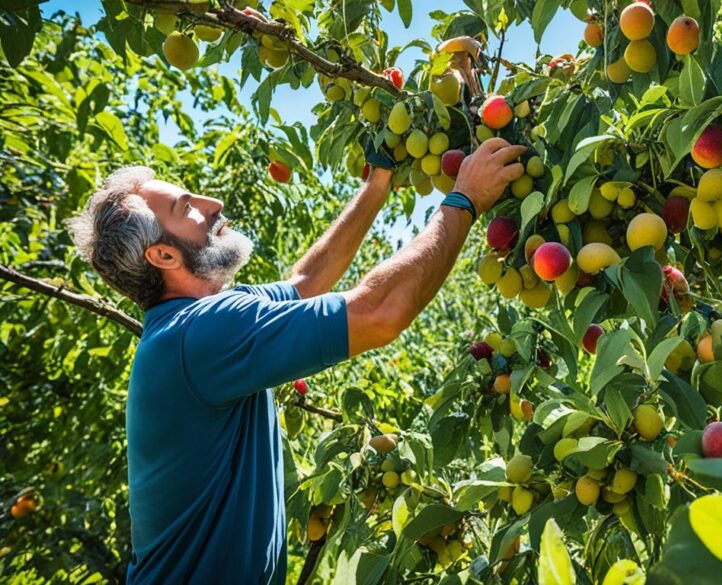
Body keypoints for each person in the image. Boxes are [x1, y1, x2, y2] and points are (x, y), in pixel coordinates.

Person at [66, 137, 528, 584]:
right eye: (186, 207)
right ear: (164, 254)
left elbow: (307, 281)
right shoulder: (203, 332)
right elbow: (381, 313)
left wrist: (377, 185)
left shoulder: (191, 327)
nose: (212, 203)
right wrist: (465, 200)